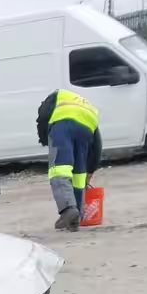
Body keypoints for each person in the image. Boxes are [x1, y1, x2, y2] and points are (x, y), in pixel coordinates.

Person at [36, 90, 102, 232]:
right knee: (79, 174)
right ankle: (76, 216)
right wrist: (91, 168)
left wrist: (45, 139)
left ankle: (68, 210)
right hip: (86, 129)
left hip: (62, 126)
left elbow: (42, 117)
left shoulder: (54, 97)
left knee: (59, 169)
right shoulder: (86, 107)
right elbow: (97, 144)